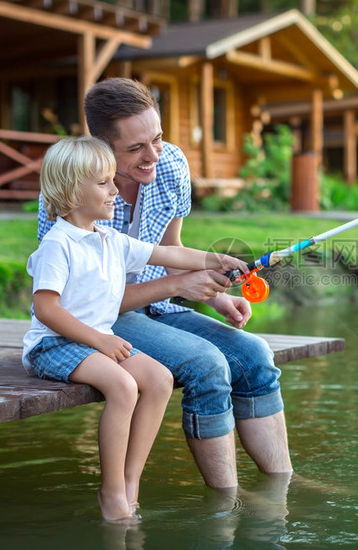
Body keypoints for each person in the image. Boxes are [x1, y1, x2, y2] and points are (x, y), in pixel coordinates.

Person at [37, 77, 293, 490]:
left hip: (156, 306)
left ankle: (282, 485)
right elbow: (80, 301)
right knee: (206, 365)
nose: (153, 155)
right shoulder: (72, 192)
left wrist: (216, 296)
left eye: (157, 138)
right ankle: (229, 500)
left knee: (254, 355)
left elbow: (170, 249)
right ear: (103, 149)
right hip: (99, 320)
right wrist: (180, 286)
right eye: (136, 148)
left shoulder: (170, 164)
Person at [23, 136, 248, 521]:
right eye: (104, 183)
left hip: (96, 342)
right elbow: (45, 309)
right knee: (124, 386)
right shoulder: (58, 245)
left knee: (159, 379)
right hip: (56, 344)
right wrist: (99, 339)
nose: (116, 191)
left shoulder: (110, 239)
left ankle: (131, 483)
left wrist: (217, 258)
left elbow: (169, 253)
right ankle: (111, 492)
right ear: (72, 190)